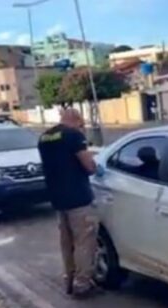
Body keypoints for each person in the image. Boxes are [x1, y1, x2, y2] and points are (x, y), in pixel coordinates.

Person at [38, 109, 100, 297]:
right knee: (84, 241)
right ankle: (82, 284)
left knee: (67, 242)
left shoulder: (45, 137)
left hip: (57, 197)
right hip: (78, 197)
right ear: (76, 121)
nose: (83, 128)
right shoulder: (73, 135)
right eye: (82, 125)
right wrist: (95, 165)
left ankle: (70, 280)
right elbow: (89, 166)